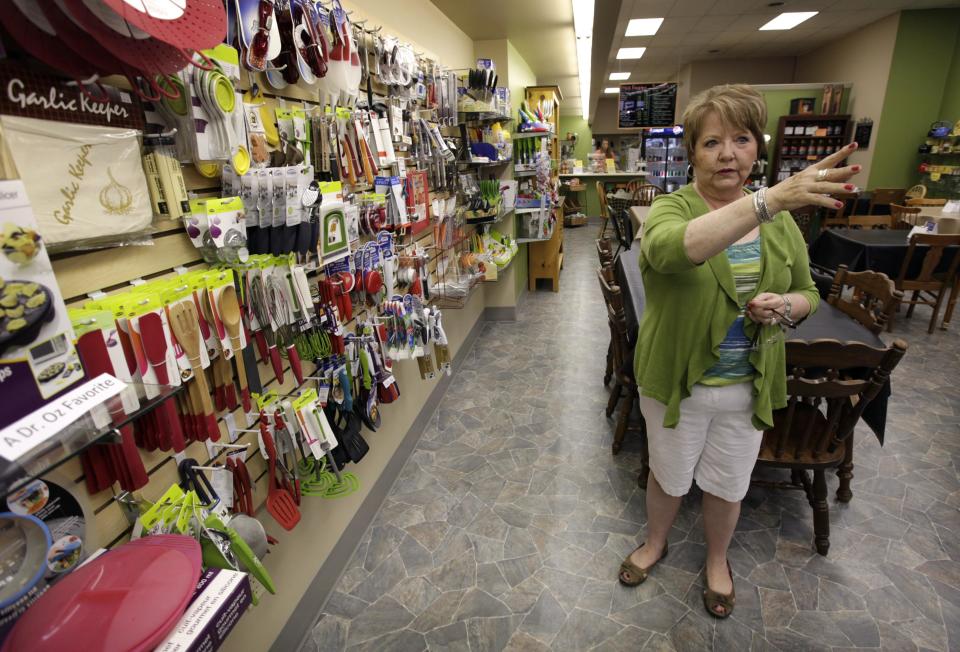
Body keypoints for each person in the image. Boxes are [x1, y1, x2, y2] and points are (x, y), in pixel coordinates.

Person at [617, 84, 861, 618]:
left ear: (757, 148)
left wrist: (785, 305)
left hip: (747, 382)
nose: (727, 153)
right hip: (677, 380)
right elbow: (671, 250)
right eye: (711, 143)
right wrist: (767, 200)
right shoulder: (670, 209)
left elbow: (810, 293)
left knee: (729, 482)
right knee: (668, 473)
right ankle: (656, 542)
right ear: (692, 154)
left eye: (741, 139)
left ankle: (718, 561)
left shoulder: (781, 226)